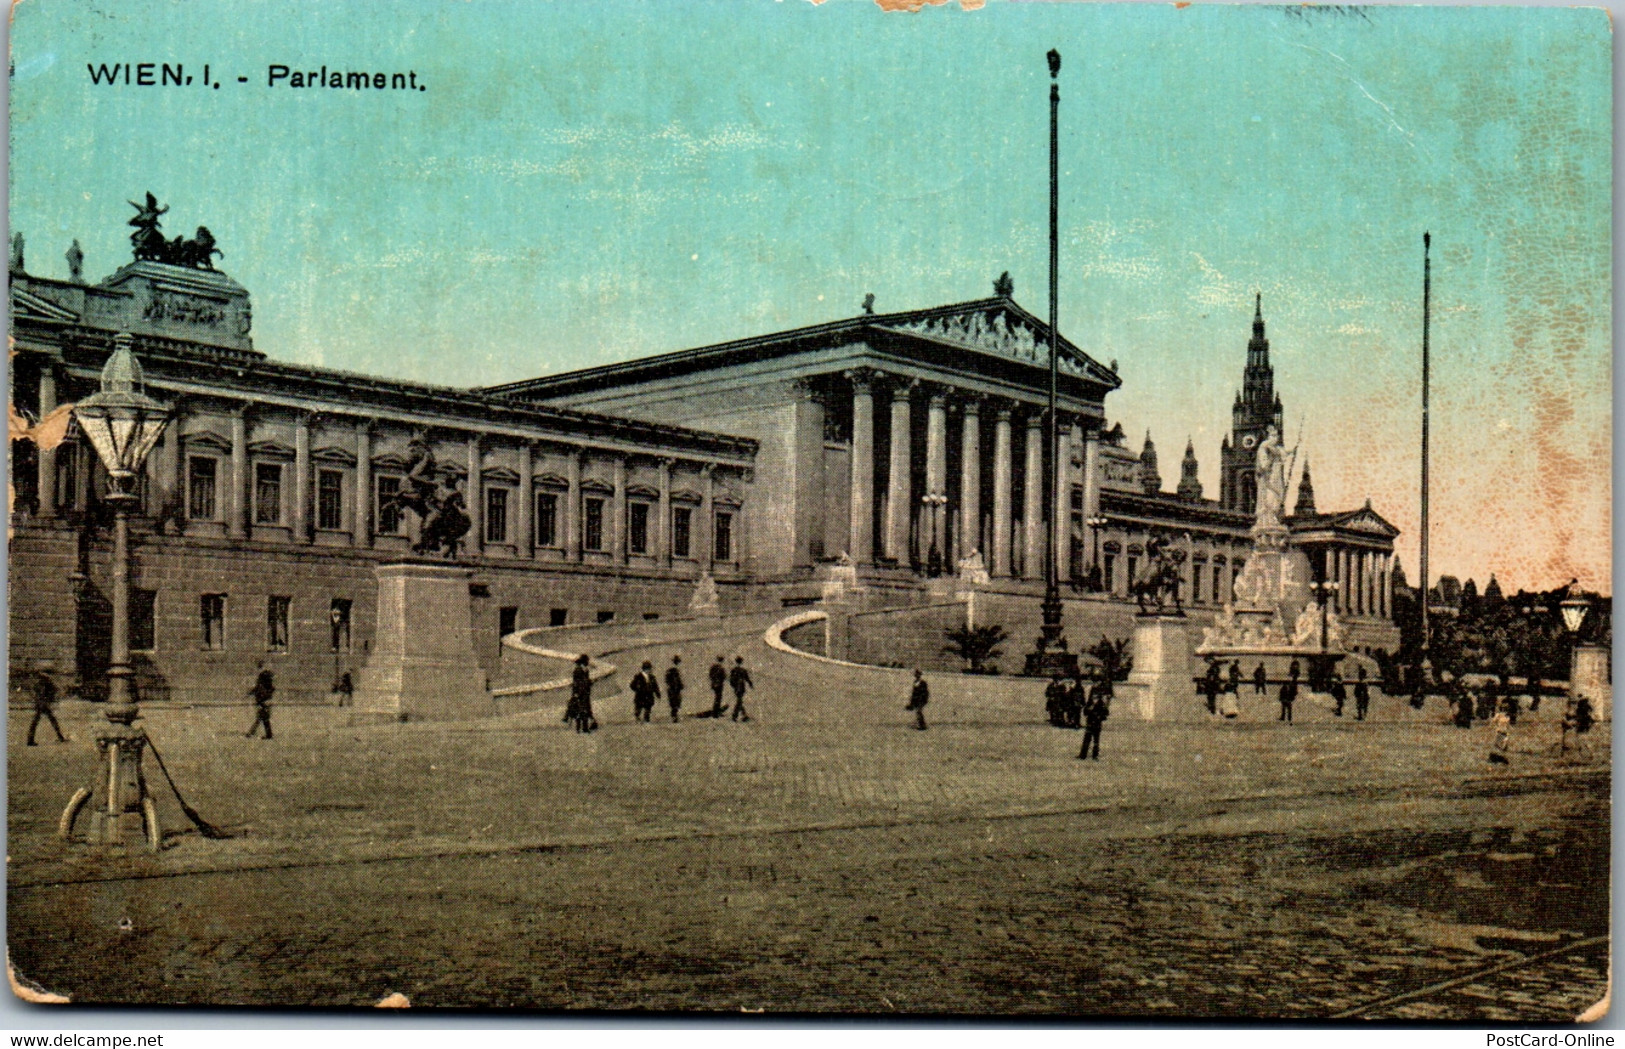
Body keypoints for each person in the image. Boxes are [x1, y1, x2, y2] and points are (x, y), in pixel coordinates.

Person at [25, 660, 67, 746]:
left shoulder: (39, 681)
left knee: (39, 721)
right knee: (50, 720)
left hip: (40, 703)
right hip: (43, 703)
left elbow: (36, 691)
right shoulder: (46, 680)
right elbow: (54, 689)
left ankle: (30, 739)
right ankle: (60, 737)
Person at [1078, 676, 1111, 760]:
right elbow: (1089, 702)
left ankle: (1094, 754)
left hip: (1097, 717)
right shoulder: (1093, 689)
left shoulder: (1101, 691)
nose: (1095, 683)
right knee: (1088, 736)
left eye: (1096, 681)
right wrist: (1088, 709)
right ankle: (1083, 754)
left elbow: (1104, 705)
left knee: (1096, 738)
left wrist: (1099, 711)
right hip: (1091, 716)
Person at [244, 662, 275, 739]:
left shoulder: (263, 676)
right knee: (263, 718)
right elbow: (270, 688)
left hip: (263, 699)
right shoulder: (267, 676)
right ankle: (267, 734)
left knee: (261, 718)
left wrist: (251, 693)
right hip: (265, 699)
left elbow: (259, 688)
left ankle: (251, 733)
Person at [568, 653, 597, 733]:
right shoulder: (578, 670)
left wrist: (590, 682)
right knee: (580, 710)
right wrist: (575, 693)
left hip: (585, 692)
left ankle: (585, 727)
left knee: (585, 709)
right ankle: (580, 728)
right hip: (580, 692)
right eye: (586, 661)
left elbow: (585, 680)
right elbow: (576, 682)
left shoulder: (585, 670)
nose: (588, 662)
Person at [728, 656, 753, 722]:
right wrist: (750, 684)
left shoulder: (733, 670)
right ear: (741, 662)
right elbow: (747, 679)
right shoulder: (743, 670)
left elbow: (731, 680)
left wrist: (733, 686)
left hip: (736, 688)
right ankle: (735, 716)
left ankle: (743, 715)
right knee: (739, 701)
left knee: (739, 701)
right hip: (741, 687)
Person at [664, 656, 685, 722]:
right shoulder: (673, 670)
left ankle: (674, 716)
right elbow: (674, 681)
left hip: (674, 689)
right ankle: (674, 717)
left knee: (676, 703)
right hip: (674, 690)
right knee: (675, 703)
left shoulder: (672, 670)